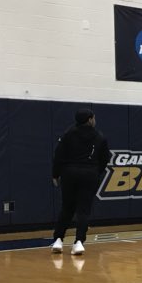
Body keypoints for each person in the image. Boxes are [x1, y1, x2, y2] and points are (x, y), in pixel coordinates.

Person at [51, 108, 110, 255]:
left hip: (69, 173)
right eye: (93, 118)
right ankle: (78, 242)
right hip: (90, 174)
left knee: (67, 208)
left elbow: (58, 155)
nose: (95, 120)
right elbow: (105, 158)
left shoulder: (68, 134)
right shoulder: (99, 136)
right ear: (90, 120)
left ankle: (58, 240)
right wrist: (96, 172)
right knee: (83, 210)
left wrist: (55, 174)